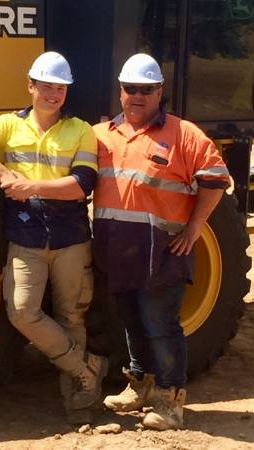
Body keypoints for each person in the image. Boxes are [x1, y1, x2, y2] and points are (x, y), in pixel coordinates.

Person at [0, 51, 108, 424]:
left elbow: (82, 184)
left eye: (61, 88)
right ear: (31, 86)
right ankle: (87, 367)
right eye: (47, 87)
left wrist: (30, 185)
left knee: (73, 316)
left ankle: (79, 402)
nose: (54, 95)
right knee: (22, 312)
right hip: (26, 239)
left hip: (71, 239)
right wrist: (2, 173)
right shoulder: (10, 125)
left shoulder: (80, 130)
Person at [93, 53, 230, 430]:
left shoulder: (183, 134)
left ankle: (170, 399)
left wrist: (195, 227)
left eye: (146, 90)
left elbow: (216, 179)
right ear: (120, 91)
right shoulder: (102, 135)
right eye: (130, 89)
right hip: (118, 253)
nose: (137, 96)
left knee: (161, 325)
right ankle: (139, 383)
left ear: (159, 92)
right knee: (131, 321)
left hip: (164, 254)